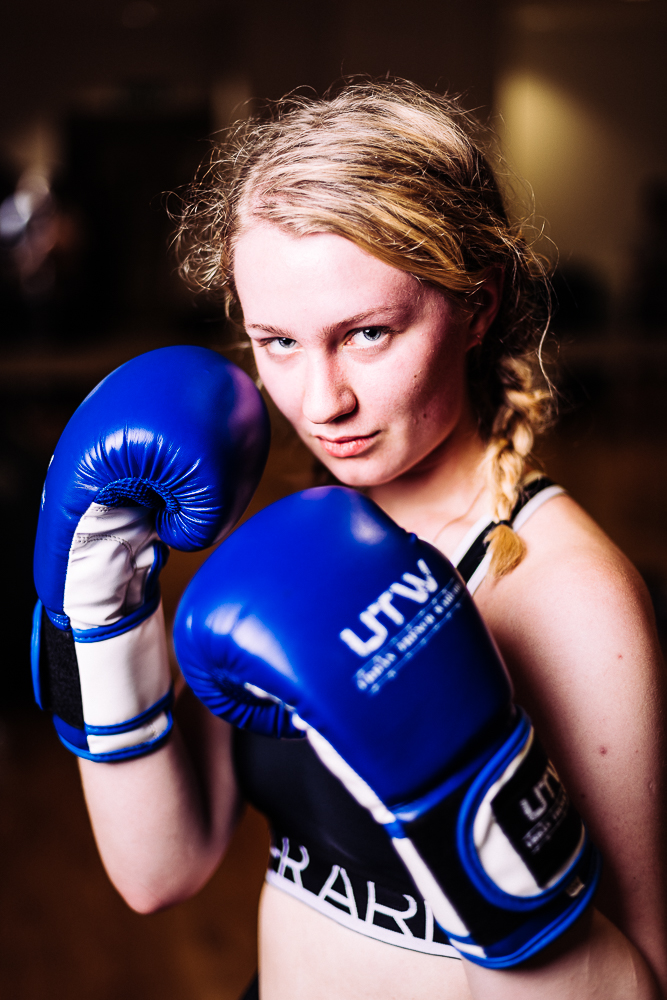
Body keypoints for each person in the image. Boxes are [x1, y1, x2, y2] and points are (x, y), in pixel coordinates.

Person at [39, 80, 666, 999]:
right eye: (277, 341)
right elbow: (159, 872)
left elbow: (637, 982)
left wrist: (468, 823)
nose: (320, 401)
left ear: (477, 306)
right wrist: (100, 612)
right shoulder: (302, 551)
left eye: (367, 334)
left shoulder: (569, 598)